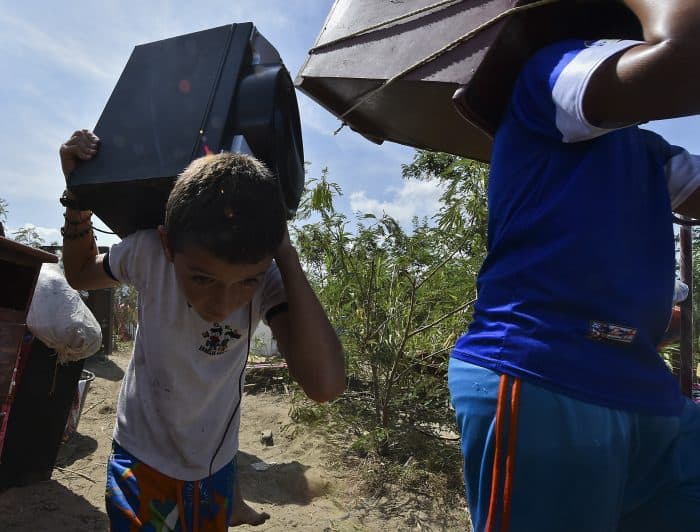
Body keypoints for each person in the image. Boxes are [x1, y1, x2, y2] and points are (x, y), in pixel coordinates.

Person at [448, 2, 700, 531]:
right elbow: (684, 58)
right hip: (546, 371)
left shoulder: (648, 153)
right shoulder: (553, 70)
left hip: (641, 388)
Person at [59, 130, 346, 530]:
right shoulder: (148, 254)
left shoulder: (267, 282)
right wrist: (76, 195)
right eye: (202, 279)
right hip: (139, 459)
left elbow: (325, 385)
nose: (223, 303)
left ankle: (234, 501)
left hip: (214, 466)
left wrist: (285, 254)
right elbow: (79, 274)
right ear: (167, 245)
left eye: (245, 282)